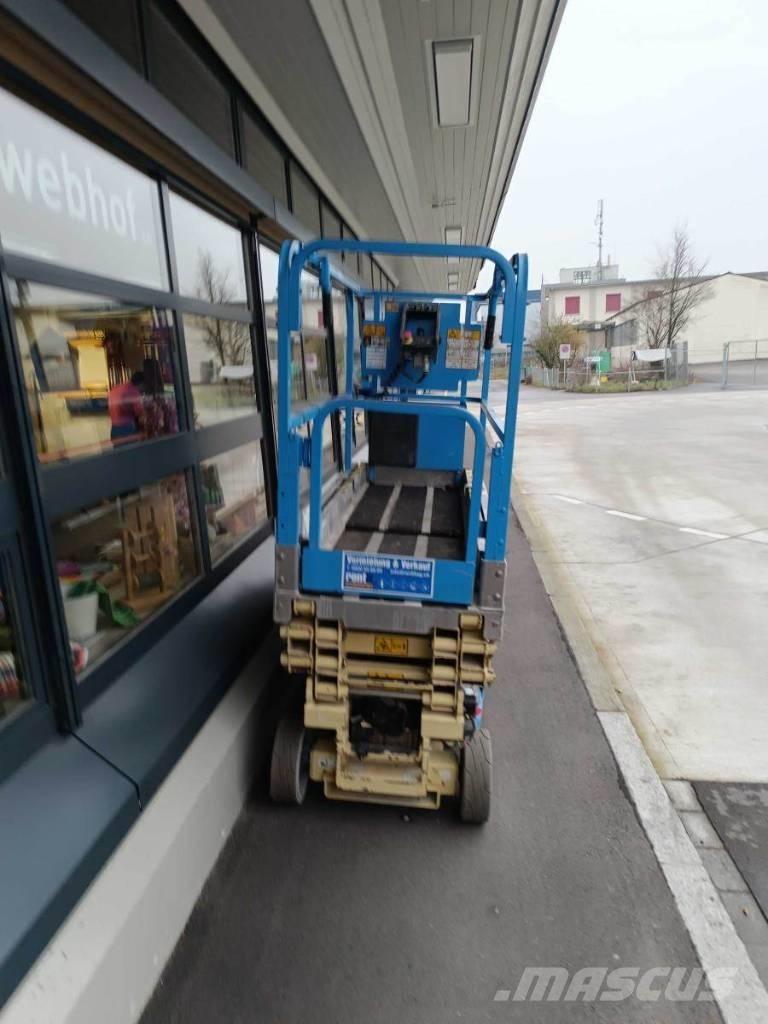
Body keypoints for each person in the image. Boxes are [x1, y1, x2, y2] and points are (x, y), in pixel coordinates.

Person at [108, 371, 144, 443]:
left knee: (119, 452)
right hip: (127, 428)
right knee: (131, 452)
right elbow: (139, 412)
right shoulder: (134, 391)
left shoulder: (115, 388)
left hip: (114, 428)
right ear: (141, 383)